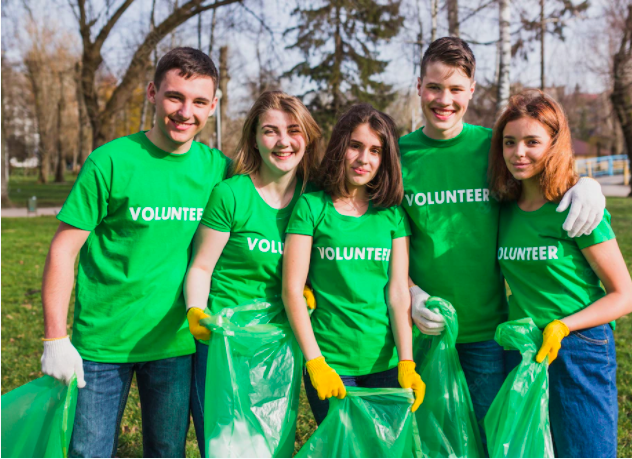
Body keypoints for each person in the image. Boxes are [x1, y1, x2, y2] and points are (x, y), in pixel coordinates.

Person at [399, 37, 607, 438]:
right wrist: (410, 291)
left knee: (491, 439)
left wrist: (584, 183)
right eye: (435, 87)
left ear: (471, 91)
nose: (445, 99)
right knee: (427, 442)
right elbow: (378, 232)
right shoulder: (397, 154)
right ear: (419, 86)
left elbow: (541, 166)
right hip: (419, 331)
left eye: (457, 89)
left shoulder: (492, 147)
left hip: (489, 336)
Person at [40, 47, 230, 458]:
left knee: (167, 452)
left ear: (213, 106)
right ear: (152, 93)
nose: (185, 112)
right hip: (101, 346)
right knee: (87, 452)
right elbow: (62, 249)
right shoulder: (109, 162)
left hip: (176, 345)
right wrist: (55, 337)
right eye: (174, 97)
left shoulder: (220, 170)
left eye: (199, 101)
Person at [489, 89, 632, 457]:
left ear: (555, 144)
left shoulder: (578, 207)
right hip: (523, 349)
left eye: (531, 142)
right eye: (510, 142)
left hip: (578, 347)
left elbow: (624, 296)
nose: (518, 152)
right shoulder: (503, 211)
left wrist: (564, 325)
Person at [183, 90, 322, 457]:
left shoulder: (313, 199)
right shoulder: (231, 195)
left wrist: (309, 289)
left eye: (293, 130)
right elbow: (200, 266)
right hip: (226, 342)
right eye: (270, 131)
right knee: (226, 444)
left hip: (279, 343)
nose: (283, 142)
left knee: (272, 442)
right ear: (255, 140)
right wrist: (196, 311)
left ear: (307, 136)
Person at [281, 104, 425, 426]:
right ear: (340, 147)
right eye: (356, 146)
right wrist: (315, 361)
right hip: (331, 364)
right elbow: (292, 290)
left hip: (385, 364)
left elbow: (398, 291)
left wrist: (406, 360)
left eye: (375, 150)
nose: (364, 159)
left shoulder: (391, 215)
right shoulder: (311, 207)